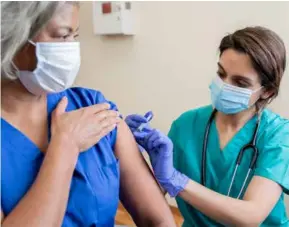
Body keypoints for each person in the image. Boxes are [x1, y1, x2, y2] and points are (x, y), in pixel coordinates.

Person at [1, 2, 177, 227]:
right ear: (12, 38)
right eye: (63, 36)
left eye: (75, 35)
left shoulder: (91, 105)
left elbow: (159, 220)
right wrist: (65, 147)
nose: (72, 48)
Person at [126, 26, 289, 226]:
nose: (225, 85)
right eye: (221, 74)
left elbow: (251, 215)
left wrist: (177, 180)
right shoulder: (186, 125)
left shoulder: (278, 135)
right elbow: (151, 200)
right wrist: (129, 153)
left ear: (268, 92)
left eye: (240, 83)